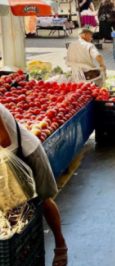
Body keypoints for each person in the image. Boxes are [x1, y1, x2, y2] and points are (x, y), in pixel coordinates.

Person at [0, 105, 68, 266]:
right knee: (14, 211)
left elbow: (4, 139)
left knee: (43, 201)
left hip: (27, 154)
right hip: (6, 161)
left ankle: (60, 245)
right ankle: (24, 250)